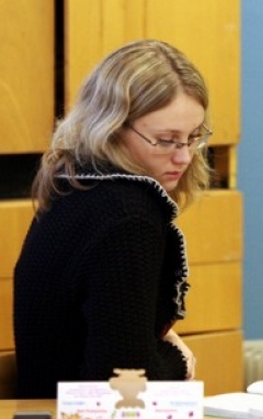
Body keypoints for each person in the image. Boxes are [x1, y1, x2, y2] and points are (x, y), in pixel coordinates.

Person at [13, 39, 212, 398]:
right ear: (112, 128)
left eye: (193, 137)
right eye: (166, 140)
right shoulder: (127, 217)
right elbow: (121, 384)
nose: (184, 157)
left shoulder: (75, 184)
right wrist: (178, 360)